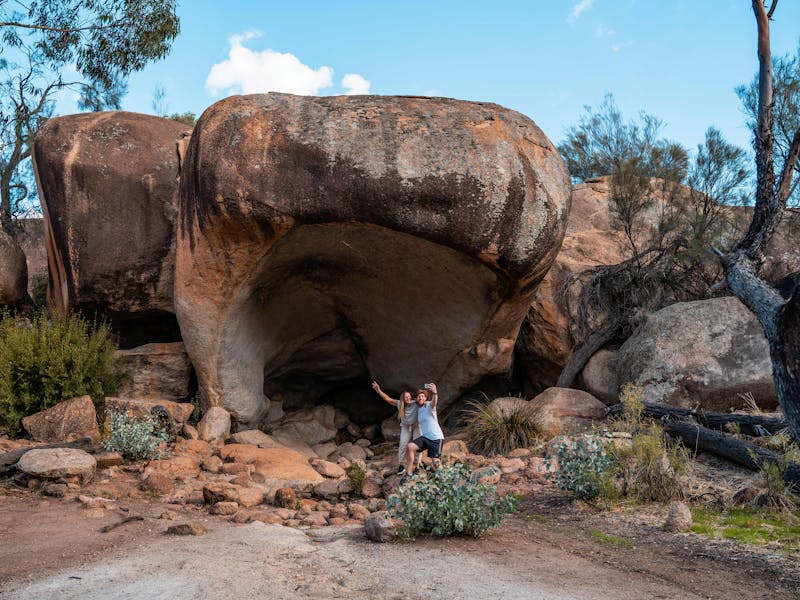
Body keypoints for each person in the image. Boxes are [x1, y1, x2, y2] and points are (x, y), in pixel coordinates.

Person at [371, 381, 421, 475]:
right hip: (406, 427)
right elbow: (388, 399)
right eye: (406, 397)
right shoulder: (400, 404)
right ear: (403, 398)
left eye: (409, 396)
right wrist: (378, 390)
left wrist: (423, 393)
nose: (408, 398)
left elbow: (424, 399)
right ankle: (402, 465)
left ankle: (417, 465)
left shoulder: (416, 403)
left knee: (418, 445)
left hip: (417, 426)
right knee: (402, 444)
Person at [405, 382, 444, 477]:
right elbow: (409, 402)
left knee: (436, 462)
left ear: (426, 398)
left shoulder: (429, 406)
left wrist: (435, 393)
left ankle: (445, 480)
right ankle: (409, 473)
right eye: (418, 397)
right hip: (425, 437)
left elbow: (434, 402)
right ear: (416, 399)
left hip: (436, 438)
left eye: (422, 396)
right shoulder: (419, 409)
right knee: (410, 446)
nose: (420, 398)